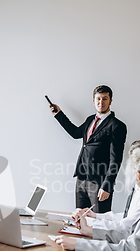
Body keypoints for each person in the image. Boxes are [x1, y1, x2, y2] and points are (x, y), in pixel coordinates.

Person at [51, 85, 127, 213]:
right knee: (80, 219)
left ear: (110, 101)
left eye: (104, 99)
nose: (101, 102)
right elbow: (75, 133)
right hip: (81, 178)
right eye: (98, 99)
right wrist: (58, 114)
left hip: (99, 182)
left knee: (98, 223)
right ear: (93, 101)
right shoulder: (90, 119)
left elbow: (116, 159)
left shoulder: (117, 126)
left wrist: (107, 186)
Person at [73, 140, 140, 232]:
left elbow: (127, 225)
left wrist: (90, 222)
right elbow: (126, 216)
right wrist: (95, 216)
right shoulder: (138, 188)